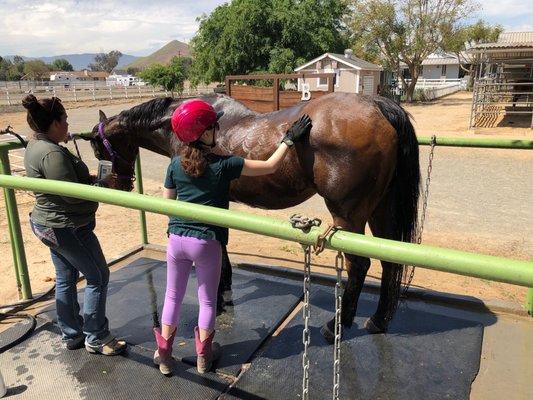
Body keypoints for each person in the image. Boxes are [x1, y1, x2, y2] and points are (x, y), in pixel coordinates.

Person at [153, 99, 312, 375]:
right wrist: (288, 140)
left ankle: (165, 357)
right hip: (207, 241)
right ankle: (204, 357)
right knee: (206, 301)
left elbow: (168, 204)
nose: (217, 130)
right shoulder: (225, 165)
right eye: (214, 126)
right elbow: (270, 166)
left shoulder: (175, 165)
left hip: (176, 239)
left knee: (172, 296)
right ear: (203, 134)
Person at [22, 94, 126, 356]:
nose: (68, 126)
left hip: (48, 224)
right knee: (98, 275)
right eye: (65, 120)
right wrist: (100, 185)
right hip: (67, 227)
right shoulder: (51, 153)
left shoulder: (37, 145)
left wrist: (88, 178)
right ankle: (97, 336)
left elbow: (65, 184)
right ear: (55, 124)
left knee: (66, 278)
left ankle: (72, 334)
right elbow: (71, 194)